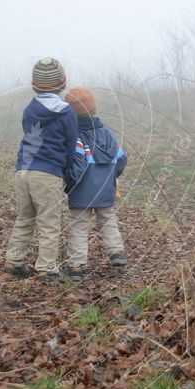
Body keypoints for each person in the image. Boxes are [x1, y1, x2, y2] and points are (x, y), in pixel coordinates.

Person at [5, 57, 78, 279]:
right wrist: (66, 173)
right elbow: (69, 146)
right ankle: (46, 269)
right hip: (47, 174)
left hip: (22, 171)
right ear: (63, 81)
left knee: (24, 218)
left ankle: (14, 261)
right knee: (49, 222)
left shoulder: (30, 109)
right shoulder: (67, 112)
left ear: (34, 84)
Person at [63, 87, 128, 282]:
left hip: (82, 192)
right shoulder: (106, 134)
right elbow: (121, 158)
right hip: (105, 190)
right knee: (107, 221)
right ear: (94, 109)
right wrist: (111, 176)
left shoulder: (75, 136)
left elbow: (77, 165)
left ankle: (76, 266)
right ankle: (116, 253)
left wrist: (69, 184)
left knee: (79, 226)